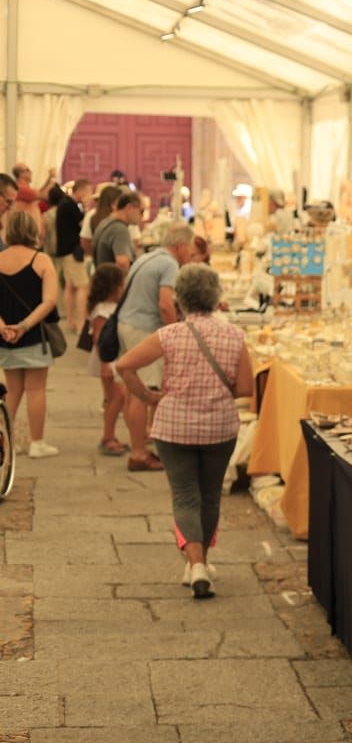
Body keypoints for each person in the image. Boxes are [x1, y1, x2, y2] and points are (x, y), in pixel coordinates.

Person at [115, 265, 252, 599]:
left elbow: (124, 365)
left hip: (174, 427)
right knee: (209, 495)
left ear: (180, 299)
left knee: (185, 495)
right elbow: (246, 387)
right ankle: (199, 561)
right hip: (219, 427)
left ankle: (197, 565)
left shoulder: (170, 334)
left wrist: (148, 396)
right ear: (217, 298)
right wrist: (218, 396)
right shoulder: (234, 336)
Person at [116, 223, 198, 472]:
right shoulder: (169, 264)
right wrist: (175, 334)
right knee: (144, 392)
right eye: (191, 250)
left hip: (128, 324)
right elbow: (165, 304)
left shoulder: (147, 257)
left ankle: (137, 446)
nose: (191, 255)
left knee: (134, 391)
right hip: (143, 328)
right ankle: (139, 454)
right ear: (180, 245)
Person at [0, 213, 61, 457]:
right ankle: (37, 442)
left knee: (12, 390)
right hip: (34, 336)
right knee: (36, 389)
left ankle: (7, 441)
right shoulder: (41, 260)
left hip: (4, 337)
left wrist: (4, 327)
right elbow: (49, 301)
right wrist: (24, 326)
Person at [86, 263, 128, 456]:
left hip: (112, 359)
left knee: (114, 398)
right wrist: (106, 364)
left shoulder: (110, 307)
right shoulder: (103, 310)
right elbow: (99, 338)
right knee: (116, 398)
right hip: (108, 360)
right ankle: (107, 436)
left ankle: (110, 435)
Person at [49, 179, 92, 333]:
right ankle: (80, 323)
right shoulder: (70, 205)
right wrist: (86, 206)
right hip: (72, 251)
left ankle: (71, 321)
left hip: (65, 251)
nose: (89, 195)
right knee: (83, 286)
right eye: (88, 191)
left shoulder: (64, 204)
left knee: (70, 286)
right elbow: (84, 223)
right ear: (80, 190)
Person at [94, 190, 143, 270]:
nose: (141, 216)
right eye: (141, 211)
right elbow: (122, 263)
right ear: (129, 208)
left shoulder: (105, 222)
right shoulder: (120, 229)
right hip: (112, 280)